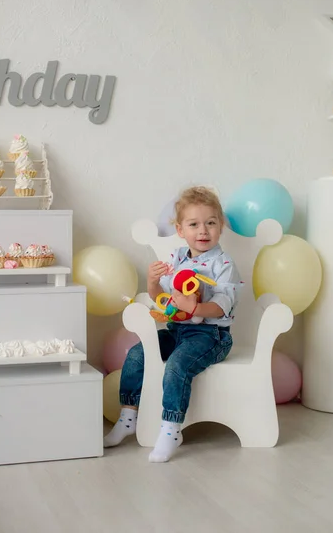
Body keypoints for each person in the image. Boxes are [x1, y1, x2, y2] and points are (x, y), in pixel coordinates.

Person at [103, 186, 242, 462]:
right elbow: (162, 300)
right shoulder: (177, 258)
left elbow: (222, 304)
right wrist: (153, 283)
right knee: (137, 354)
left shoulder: (223, 263)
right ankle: (128, 417)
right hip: (177, 330)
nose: (203, 231)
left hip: (211, 335)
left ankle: (170, 428)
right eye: (194, 224)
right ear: (181, 230)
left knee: (177, 364)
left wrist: (196, 307)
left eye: (211, 223)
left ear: (220, 228)